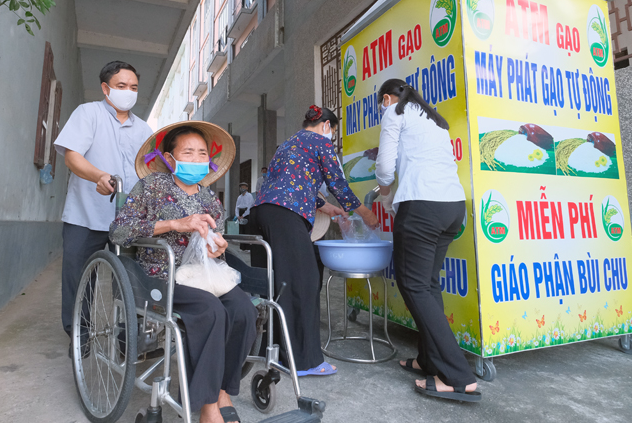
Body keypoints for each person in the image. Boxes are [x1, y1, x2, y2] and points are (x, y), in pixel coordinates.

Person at [110, 122, 256, 423]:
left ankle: (221, 390)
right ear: (169, 158)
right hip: (160, 276)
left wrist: (217, 246)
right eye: (188, 152)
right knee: (211, 311)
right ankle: (207, 406)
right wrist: (174, 224)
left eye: (202, 153)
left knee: (243, 310)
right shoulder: (152, 187)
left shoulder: (209, 198)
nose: (196, 159)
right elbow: (118, 231)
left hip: (202, 274)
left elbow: (213, 240)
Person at [251, 105, 379, 376]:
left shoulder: (288, 144)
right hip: (286, 215)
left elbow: (288, 182)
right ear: (326, 126)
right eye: (332, 131)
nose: (331, 136)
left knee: (279, 283)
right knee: (304, 282)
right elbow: (337, 183)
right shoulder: (321, 142)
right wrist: (365, 213)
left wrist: (326, 206)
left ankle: (274, 349)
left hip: (263, 212)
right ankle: (303, 362)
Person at [375, 79, 481, 402]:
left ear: (388, 98)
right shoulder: (434, 119)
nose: (382, 107)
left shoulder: (394, 111)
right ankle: (428, 360)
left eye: (382, 102)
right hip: (451, 207)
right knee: (428, 285)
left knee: (414, 285)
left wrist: (384, 192)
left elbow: (385, 166)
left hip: (422, 206)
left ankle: (458, 376)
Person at [54, 60, 152, 346]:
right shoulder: (88, 113)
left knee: (131, 281)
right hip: (86, 215)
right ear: (106, 88)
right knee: (79, 278)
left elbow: (151, 170)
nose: (128, 92)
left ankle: (127, 342)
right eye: (121, 86)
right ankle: (79, 336)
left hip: (129, 220)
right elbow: (72, 156)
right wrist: (98, 175)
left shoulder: (144, 129)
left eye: (133, 87)